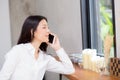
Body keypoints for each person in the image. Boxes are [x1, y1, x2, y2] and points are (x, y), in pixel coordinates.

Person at [0, 15, 75, 80]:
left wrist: (57, 48)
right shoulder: (18, 51)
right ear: (33, 32)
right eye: (44, 27)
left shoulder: (44, 58)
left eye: (48, 27)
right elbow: (3, 77)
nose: (48, 30)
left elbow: (69, 70)